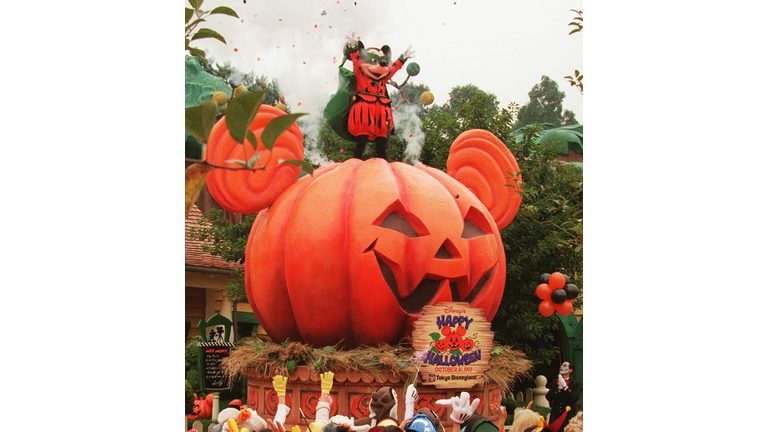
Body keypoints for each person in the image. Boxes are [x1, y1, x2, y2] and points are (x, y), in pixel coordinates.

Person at [343, 31, 415, 161]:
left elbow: (393, 68)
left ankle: (384, 164)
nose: (380, 65)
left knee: (381, 140)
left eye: (382, 62)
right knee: (362, 138)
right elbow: (356, 61)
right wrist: (353, 48)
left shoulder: (383, 78)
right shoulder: (361, 72)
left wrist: (402, 59)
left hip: (381, 112)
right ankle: (355, 163)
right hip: (364, 109)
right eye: (375, 61)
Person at [545, 362, 581, 432]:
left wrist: (565, 387)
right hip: (555, 417)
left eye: (564, 366)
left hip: (569, 416)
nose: (561, 367)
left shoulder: (575, 384)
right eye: (561, 365)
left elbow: (575, 397)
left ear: (570, 370)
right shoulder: (554, 383)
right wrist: (558, 390)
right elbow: (548, 397)